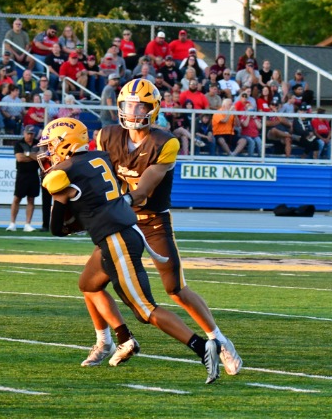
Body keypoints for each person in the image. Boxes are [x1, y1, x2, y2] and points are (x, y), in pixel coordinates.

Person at [38, 118, 221, 381]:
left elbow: (56, 228)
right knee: (89, 285)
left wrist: (61, 201)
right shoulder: (99, 157)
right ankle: (122, 339)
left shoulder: (62, 174)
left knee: (145, 310)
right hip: (124, 230)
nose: (48, 152)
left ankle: (203, 348)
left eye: (50, 146)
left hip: (117, 240)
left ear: (64, 143)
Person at [93, 78, 242, 377]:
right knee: (91, 283)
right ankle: (107, 340)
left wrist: (119, 201)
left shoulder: (165, 142)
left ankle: (219, 340)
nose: (133, 111)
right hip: (120, 222)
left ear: (153, 109)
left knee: (175, 289)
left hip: (152, 221)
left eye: (140, 106)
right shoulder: (106, 136)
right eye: (128, 105)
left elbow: (143, 190)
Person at [6, 125, 41, 232]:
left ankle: (28, 224)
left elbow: (40, 157)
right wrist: (33, 156)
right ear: (24, 133)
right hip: (22, 174)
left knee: (31, 199)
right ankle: (12, 223)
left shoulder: (38, 144)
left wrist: (27, 154)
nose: (30, 136)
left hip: (33, 174)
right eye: (28, 133)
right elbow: (20, 158)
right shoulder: (19, 144)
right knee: (17, 198)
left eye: (32, 134)